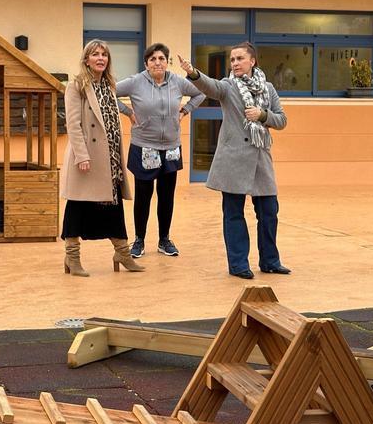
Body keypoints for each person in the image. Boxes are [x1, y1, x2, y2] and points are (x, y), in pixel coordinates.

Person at [177, 43, 291, 279]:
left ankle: (270, 261)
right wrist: (193, 73)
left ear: (252, 61)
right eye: (232, 60)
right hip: (233, 160)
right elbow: (210, 86)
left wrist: (262, 115)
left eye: (240, 58)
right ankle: (238, 264)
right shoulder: (228, 86)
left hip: (260, 160)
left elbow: (281, 120)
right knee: (233, 214)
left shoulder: (268, 88)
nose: (235, 63)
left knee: (269, 212)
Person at [60, 40, 145, 276]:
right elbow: (73, 124)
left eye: (104, 54)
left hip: (110, 159)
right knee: (78, 205)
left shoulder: (109, 85)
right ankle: (72, 257)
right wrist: (81, 155)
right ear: (86, 59)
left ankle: (122, 253)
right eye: (95, 54)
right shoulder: (77, 86)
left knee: (113, 207)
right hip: (87, 157)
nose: (100, 58)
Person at [115, 43, 205, 258]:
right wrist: (128, 112)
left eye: (161, 58)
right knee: (143, 197)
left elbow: (201, 92)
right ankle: (139, 240)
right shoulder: (136, 82)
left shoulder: (177, 81)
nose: (157, 62)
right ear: (146, 63)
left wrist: (185, 111)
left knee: (166, 196)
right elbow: (108, 92)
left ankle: (164, 239)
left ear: (167, 62)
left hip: (171, 147)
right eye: (153, 59)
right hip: (144, 146)